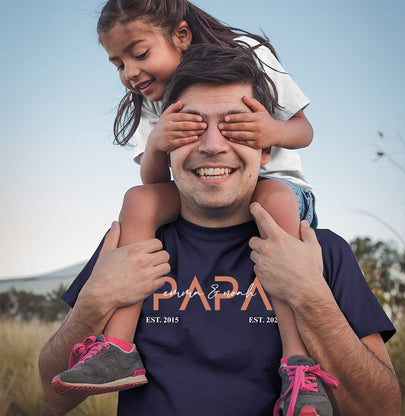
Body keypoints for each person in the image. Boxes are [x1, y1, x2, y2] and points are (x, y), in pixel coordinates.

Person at [39, 44, 401, 416]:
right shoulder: (131, 245)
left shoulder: (320, 252)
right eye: (190, 128)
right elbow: (53, 399)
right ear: (167, 147)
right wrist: (94, 300)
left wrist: (310, 295)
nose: (212, 146)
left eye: (235, 127)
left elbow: (383, 410)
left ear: (265, 151)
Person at [51, 1, 319, 411]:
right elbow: (155, 182)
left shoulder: (248, 53)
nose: (130, 72)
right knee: (137, 200)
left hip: (275, 186)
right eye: (117, 64)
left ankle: (298, 366)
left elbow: (303, 129)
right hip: (203, 189)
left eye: (139, 54)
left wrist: (272, 129)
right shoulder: (155, 99)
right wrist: (159, 140)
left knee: (276, 198)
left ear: (180, 35)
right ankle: (118, 349)